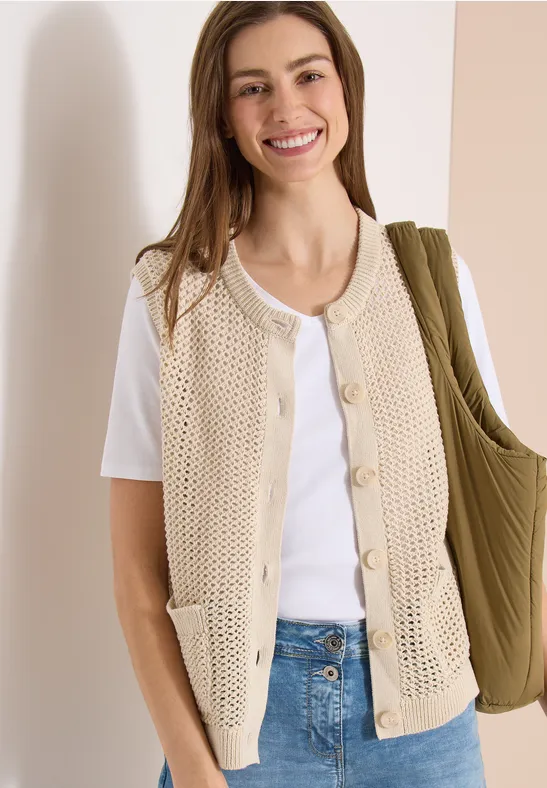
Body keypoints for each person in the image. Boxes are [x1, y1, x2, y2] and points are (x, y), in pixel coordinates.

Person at [100, 3, 547, 787]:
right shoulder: (172, 297)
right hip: (239, 725)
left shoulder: (430, 279)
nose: (286, 107)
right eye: (252, 88)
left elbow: (495, 516)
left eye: (309, 74)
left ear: (346, 88)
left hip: (425, 724)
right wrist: (196, 770)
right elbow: (139, 575)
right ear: (223, 117)